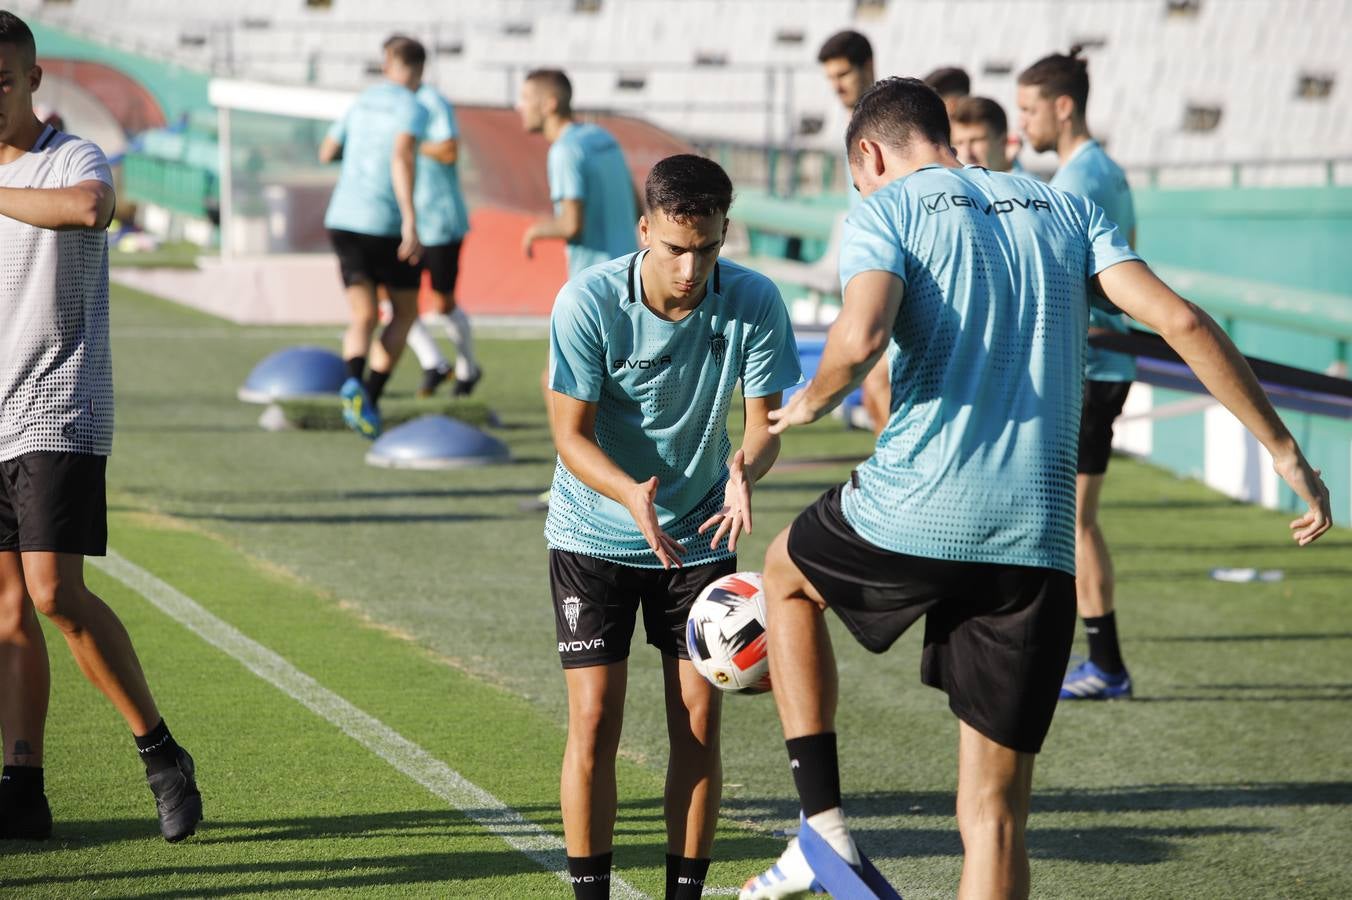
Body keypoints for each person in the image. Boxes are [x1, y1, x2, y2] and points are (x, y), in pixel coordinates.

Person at [741, 77, 1330, 899]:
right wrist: (1283, 450)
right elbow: (1185, 323)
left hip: (916, 507)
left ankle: (823, 828)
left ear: (869, 155)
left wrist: (807, 401)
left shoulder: (886, 208)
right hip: (1037, 541)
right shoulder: (1064, 207)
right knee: (994, 817)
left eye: (858, 174)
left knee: (783, 577)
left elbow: (863, 333)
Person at [546, 155, 801, 900]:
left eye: (710, 248)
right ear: (644, 229)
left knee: (696, 726)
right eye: (676, 249)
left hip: (699, 532)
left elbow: (763, 427)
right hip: (594, 531)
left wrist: (743, 471)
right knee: (594, 723)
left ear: (726, 232)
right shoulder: (588, 301)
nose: (692, 269)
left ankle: (683, 895)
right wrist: (629, 492)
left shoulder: (754, 301)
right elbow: (569, 436)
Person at [0, 10, 203, 843]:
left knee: (54, 593)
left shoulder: (70, 155)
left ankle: (159, 752)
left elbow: (91, 208)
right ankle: (22, 786)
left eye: (2, 82)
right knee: (7, 608)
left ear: (34, 80)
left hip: (56, 406)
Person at [1018, 47, 1138, 699]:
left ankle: (1106, 664)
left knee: (1075, 521)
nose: (1023, 123)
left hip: (1092, 368)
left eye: (1030, 109)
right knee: (1071, 518)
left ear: (1063, 107)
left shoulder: (1074, 184)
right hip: (1104, 365)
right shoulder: (1107, 170)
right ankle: (1102, 661)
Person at [518, 68, 639, 509]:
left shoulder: (566, 149)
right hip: (628, 274)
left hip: (593, 287)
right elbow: (638, 201)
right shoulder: (601, 138)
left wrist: (535, 231)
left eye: (525, 97)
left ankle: (573, 485)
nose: (519, 106)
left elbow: (571, 223)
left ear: (549, 103)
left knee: (557, 381)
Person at [319, 35, 427, 438]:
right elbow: (401, 156)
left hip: (344, 217)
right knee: (404, 312)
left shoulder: (361, 101)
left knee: (363, 314)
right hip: (384, 222)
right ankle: (371, 394)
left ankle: (351, 381)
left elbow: (327, 151)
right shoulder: (413, 106)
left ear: (389, 65)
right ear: (418, 70)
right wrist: (411, 220)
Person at [394, 55, 481, 400]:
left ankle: (468, 368)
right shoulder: (393, 107)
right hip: (404, 221)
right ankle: (434, 363)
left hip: (439, 220)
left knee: (442, 303)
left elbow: (448, 151)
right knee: (395, 299)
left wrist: (409, 146)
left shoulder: (432, 102)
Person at [816, 29, 889, 437]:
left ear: (868, 67)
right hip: (864, 269)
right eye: (831, 77)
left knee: (879, 382)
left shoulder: (888, 123)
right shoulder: (855, 123)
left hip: (888, 271)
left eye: (843, 74)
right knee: (875, 385)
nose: (837, 85)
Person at [950, 95, 1023, 173]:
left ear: (1003, 141)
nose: (966, 154)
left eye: (975, 141)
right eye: (959, 143)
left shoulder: (1029, 184)